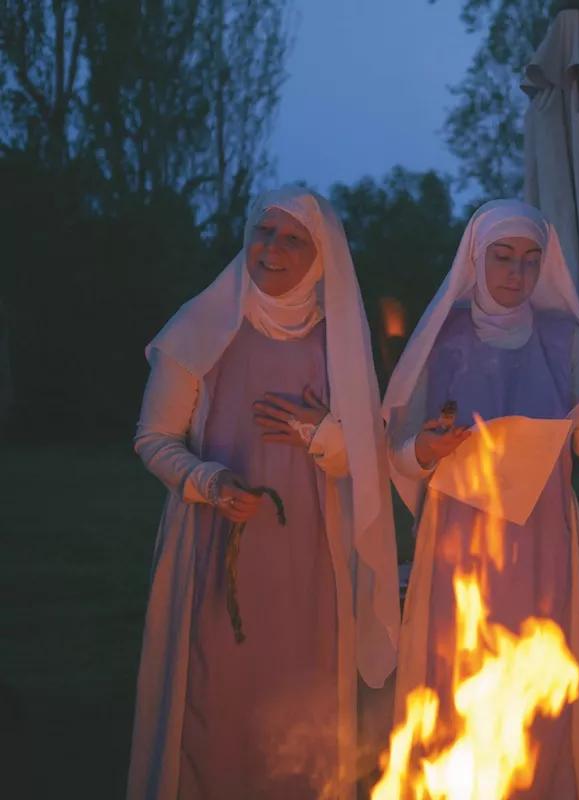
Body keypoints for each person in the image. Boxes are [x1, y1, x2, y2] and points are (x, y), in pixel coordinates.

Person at [126, 186, 399, 800]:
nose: (272, 248)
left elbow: (367, 453)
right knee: (215, 700)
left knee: (303, 702)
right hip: (217, 551)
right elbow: (153, 437)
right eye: (264, 232)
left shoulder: (339, 343)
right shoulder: (202, 327)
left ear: (321, 256)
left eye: (293, 239)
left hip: (311, 562)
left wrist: (319, 433)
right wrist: (209, 481)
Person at [380, 199, 579, 798]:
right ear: (476, 259)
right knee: (457, 668)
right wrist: (425, 448)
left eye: (530, 260)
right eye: (502, 257)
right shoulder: (440, 339)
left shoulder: (563, 339)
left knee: (539, 669)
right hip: (458, 534)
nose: (516, 273)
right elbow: (399, 451)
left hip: (542, 532)